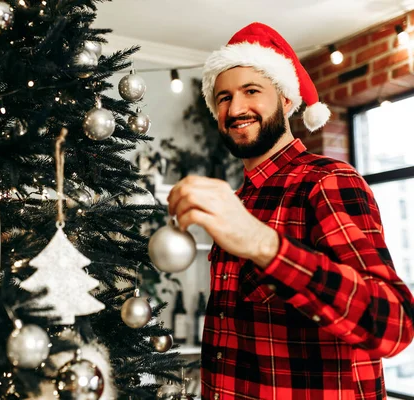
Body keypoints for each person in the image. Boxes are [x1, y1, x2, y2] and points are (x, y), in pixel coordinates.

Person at [167, 22, 414, 399]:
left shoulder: (327, 181)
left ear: (285, 99)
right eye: (223, 97)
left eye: (251, 91)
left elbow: (393, 326)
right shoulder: (240, 200)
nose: (235, 108)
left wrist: (265, 245)